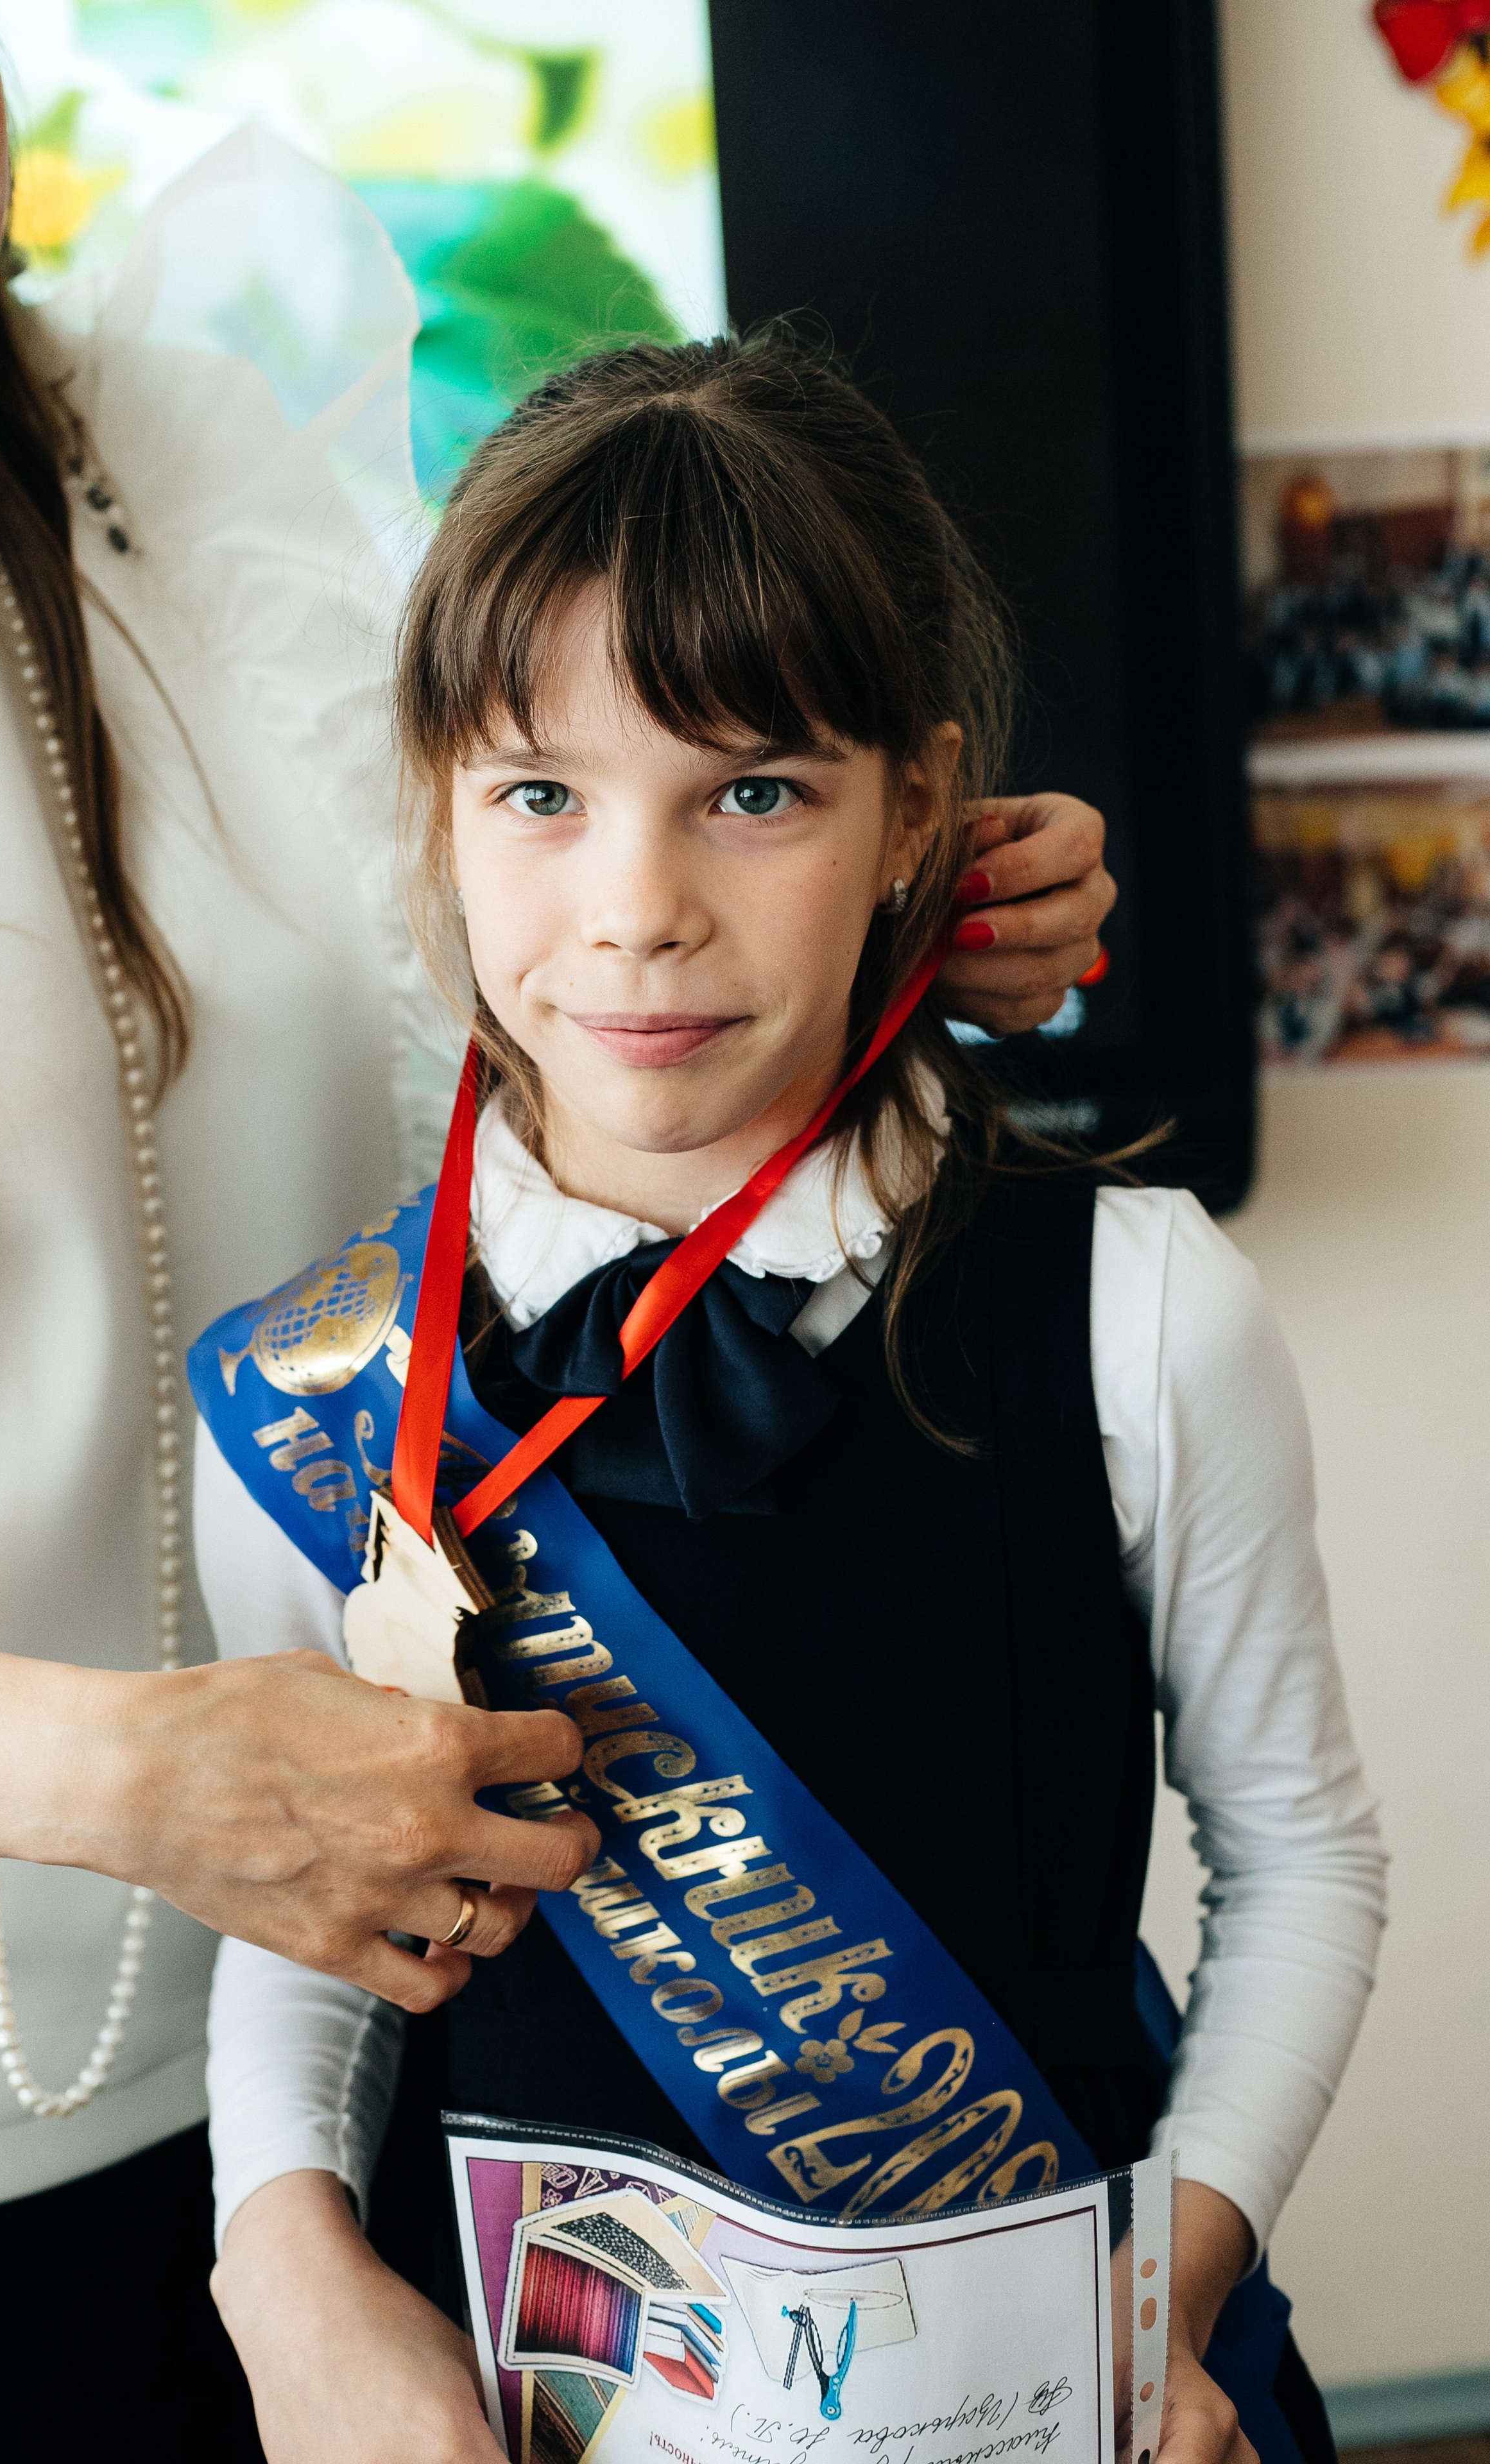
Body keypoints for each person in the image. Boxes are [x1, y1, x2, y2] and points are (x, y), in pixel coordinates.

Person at [0, 8, 1113, 2456]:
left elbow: (537, 917)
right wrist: (134, 1782)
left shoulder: (185, 437)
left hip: (436, 2026)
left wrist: (847, 902)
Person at [193, 332, 1386, 2464]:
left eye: (754, 792)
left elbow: (1301, 1861)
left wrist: (1165, 2299)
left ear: (919, 805)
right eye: (541, 797)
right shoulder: (320, 1389)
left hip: (1074, 2391)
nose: (638, 910)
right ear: (439, 815)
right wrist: (285, 2275)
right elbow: (304, 1937)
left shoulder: (1136, 1307)